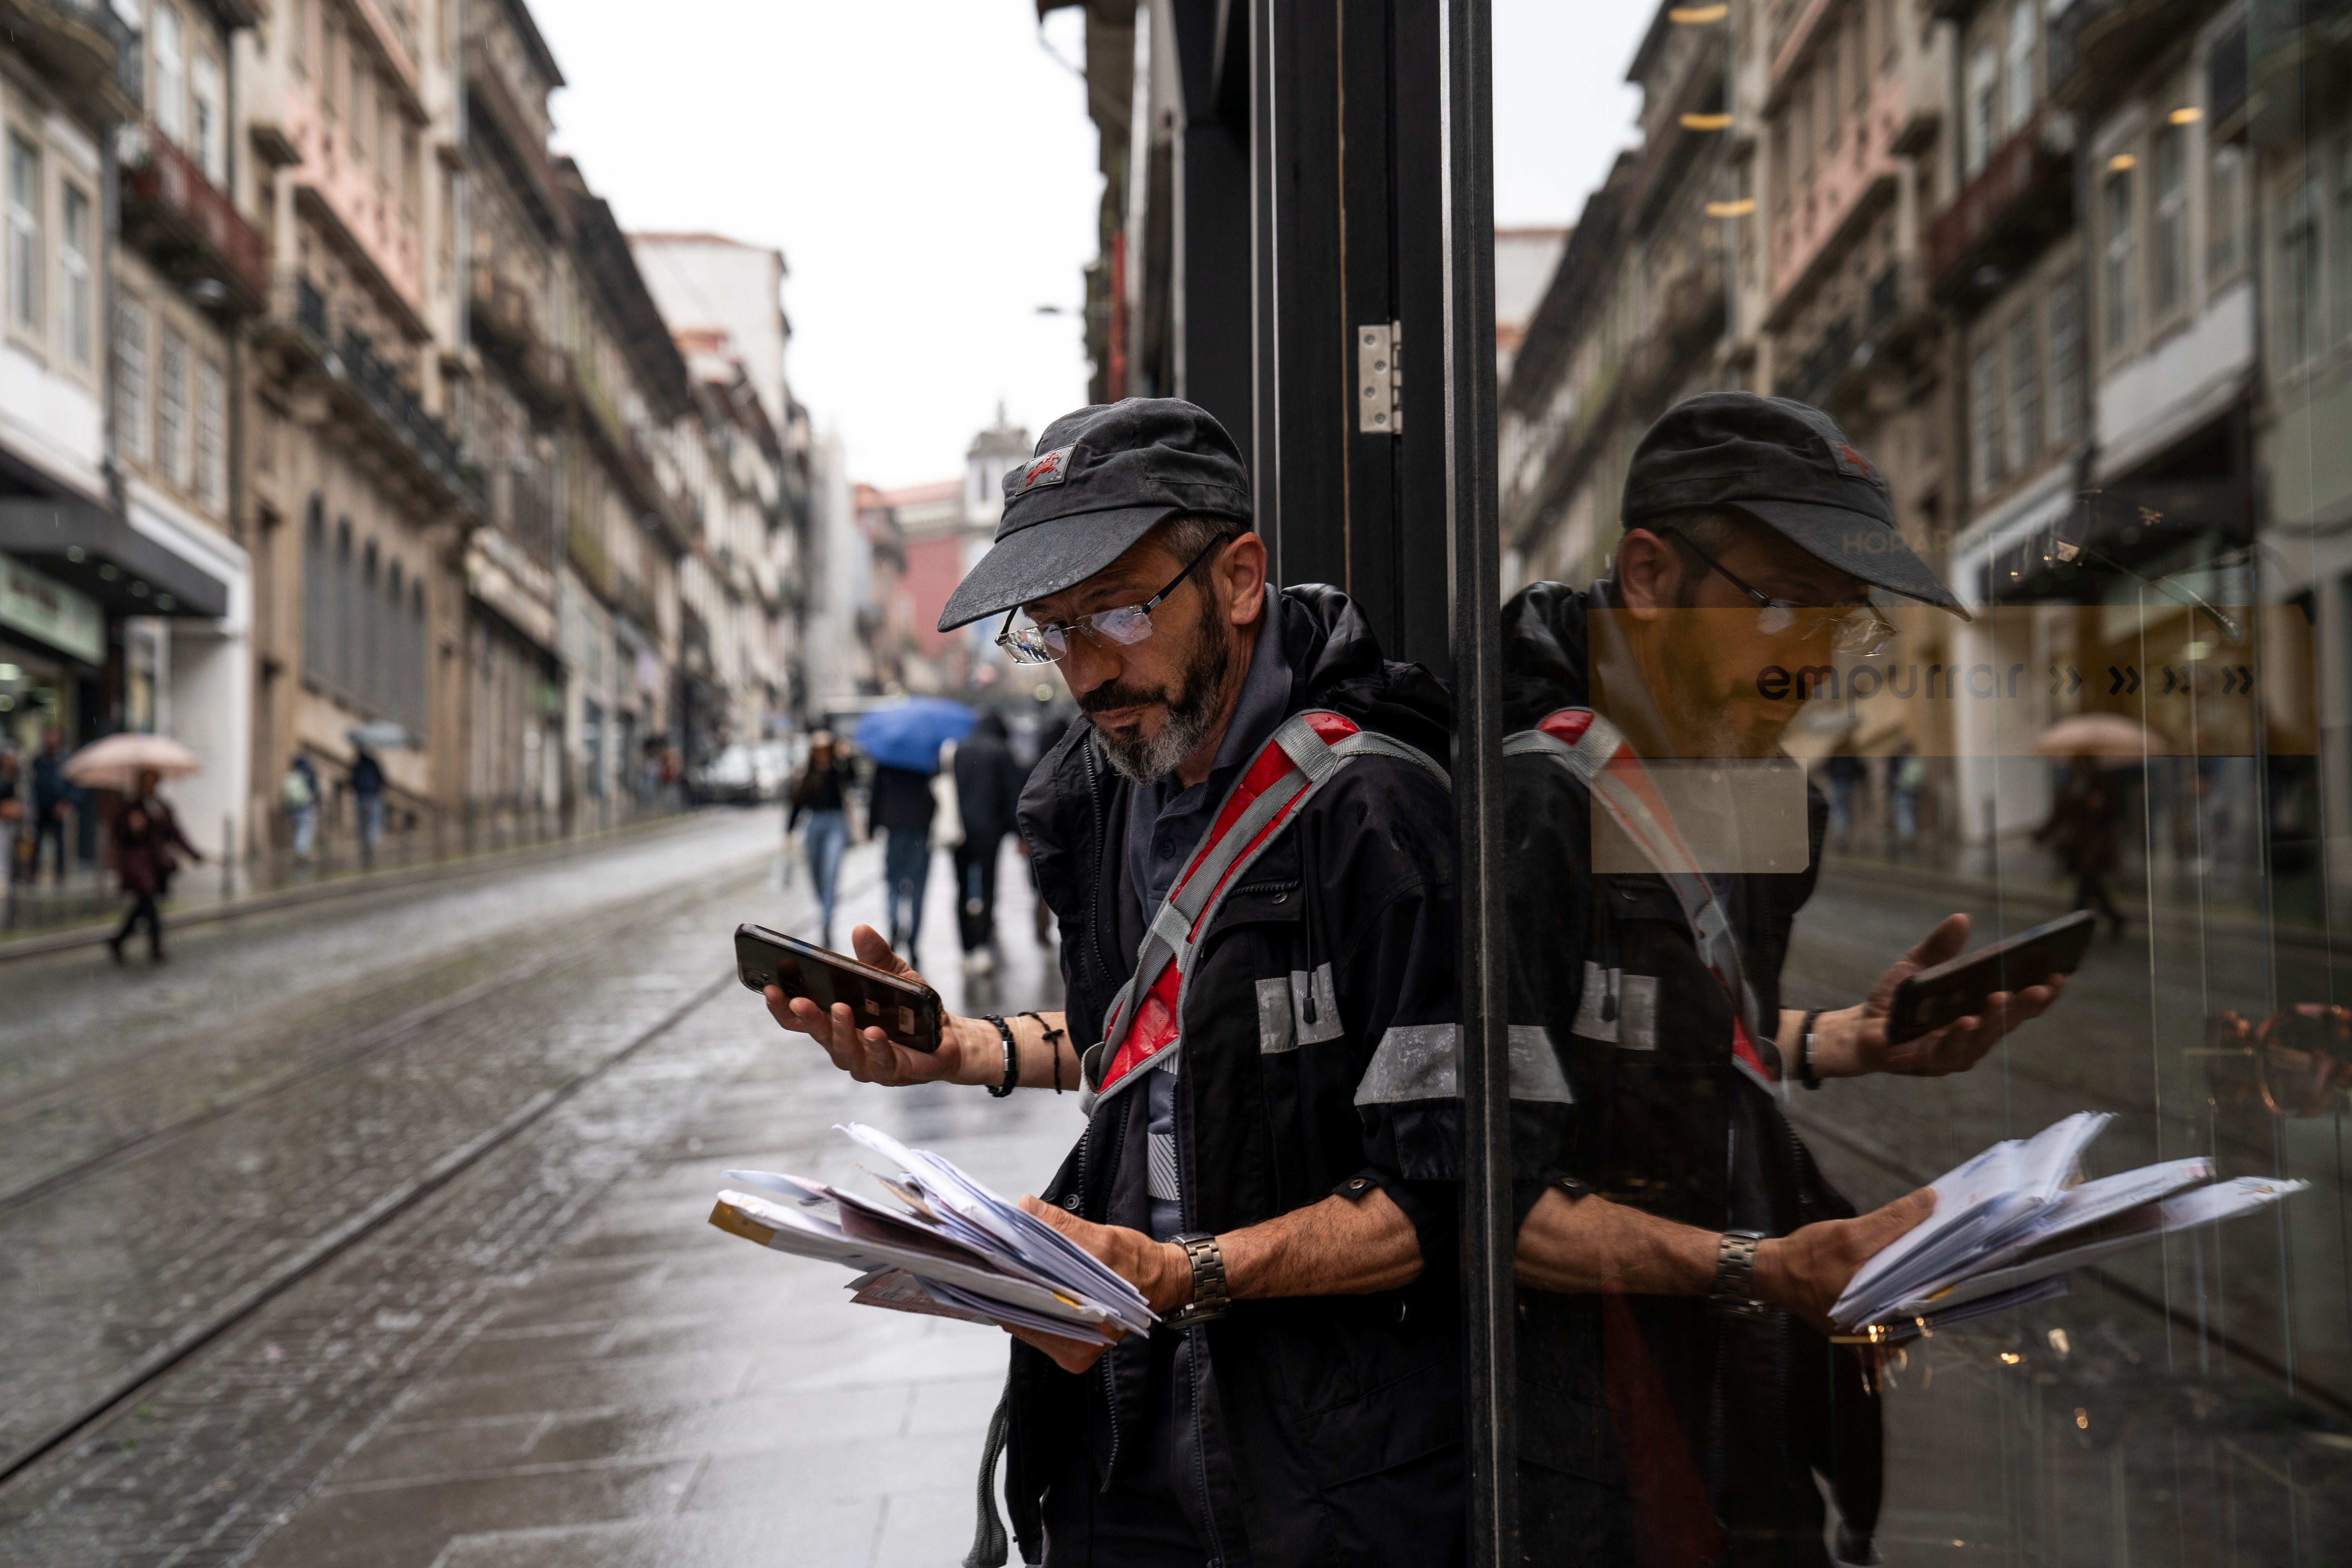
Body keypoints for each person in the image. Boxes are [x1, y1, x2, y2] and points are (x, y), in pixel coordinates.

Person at [762, 397, 1463, 1567]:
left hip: (1333, 1466)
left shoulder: (1378, 810)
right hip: (1122, 1431)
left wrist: (1184, 1271)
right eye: (1052, 629)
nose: (1087, 669)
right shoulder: (1100, 791)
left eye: (1120, 611)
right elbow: (1141, 1046)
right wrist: (953, 1048)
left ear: (1237, 578)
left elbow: (1442, 1198)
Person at [1488, 394, 2069, 1564]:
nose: (1810, 656)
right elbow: (1470, 1199)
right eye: (1776, 604)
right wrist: (1761, 1265)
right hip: (1573, 1428)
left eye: (1838, 623)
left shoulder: (1755, 785)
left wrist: (1844, 1039)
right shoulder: (1518, 802)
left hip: (1736, 1394)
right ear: (1647, 576)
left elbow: (1673, 1031)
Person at [951, 710, 1024, 975]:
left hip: (959, 833)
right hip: (989, 832)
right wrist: (1019, 834)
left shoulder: (959, 749)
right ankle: (982, 945)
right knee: (987, 886)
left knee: (960, 888)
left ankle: (966, 949)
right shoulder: (1000, 752)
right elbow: (1012, 795)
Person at [107, 766, 201, 963]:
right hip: (137, 863)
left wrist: (194, 853)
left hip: (156, 864)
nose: (150, 783)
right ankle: (156, 948)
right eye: (146, 779)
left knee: (143, 906)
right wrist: (132, 827)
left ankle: (119, 940)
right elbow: (118, 834)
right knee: (149, 904)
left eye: (153, 779)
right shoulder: (131, 806)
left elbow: (175, 833)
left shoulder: (161, 806)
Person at [2036, 753, 2127, 936]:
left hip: (2097, 844)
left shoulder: (2101, 782)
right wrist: (2042, 834)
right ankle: (2112, 918)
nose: (2080, 764)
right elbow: (2060, 811)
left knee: (2087, 882)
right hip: (2080, 845)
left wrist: (2100, 806)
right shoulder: (2073, 782)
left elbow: (2115, 812)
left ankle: (2076, 924)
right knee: (2090, 884)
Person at [788, 731, 855, 947]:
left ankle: (826, 921)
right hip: (814, 825)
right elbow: (798, 802)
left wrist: (846, 759)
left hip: (836, 824)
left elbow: (853, 780)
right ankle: (825, 907)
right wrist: (789, 831)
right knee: (816, 875)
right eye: (819, 749)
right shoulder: (808, 773)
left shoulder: (839, 770)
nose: (823, 753)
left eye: (827, 748)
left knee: (831, 872)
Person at [867, 755, 937, 956]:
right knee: (919, 888)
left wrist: (872, 825)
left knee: (893, 882)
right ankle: (914, 941)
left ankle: (894, 922)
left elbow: (877, 792)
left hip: (895, 827)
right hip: (921, 828)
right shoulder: (928, 757)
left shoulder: (889, 757)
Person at [31, 727, 76, 883]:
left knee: (59, 843)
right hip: (41, 808)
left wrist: (66, 802)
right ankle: (33, 873)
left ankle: (61, 875)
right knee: (36, 840)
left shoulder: (65, 761)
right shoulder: (38, 761)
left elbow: (73, 786)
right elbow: (33, 785)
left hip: (58, 808)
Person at [1823, 743, 1866, 851]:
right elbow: (1859, 769)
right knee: (1846, 810)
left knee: (1839, 809)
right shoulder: (1852, 753)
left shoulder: (1837, 751)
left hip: (1839, 783)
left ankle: (1841, 834)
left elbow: (1827, 766)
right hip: (1849, 784)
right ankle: (1845, 835)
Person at [281, 754, 319, 869]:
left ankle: (300, 851)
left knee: (299, 830)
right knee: (305, 830)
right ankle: (302, 853)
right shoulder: (308, 774)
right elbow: (315, 791)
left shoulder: (291, 776)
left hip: (294, 809)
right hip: (306, 807)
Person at [350, 746, 386, 867]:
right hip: (373, 797)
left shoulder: (357, 765)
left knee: (362, 824)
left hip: (361, 798)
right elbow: (383, 780)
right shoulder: (373, 764)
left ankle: (364, 846)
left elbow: (352, 782)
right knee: (373, 822)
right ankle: (370, 846)